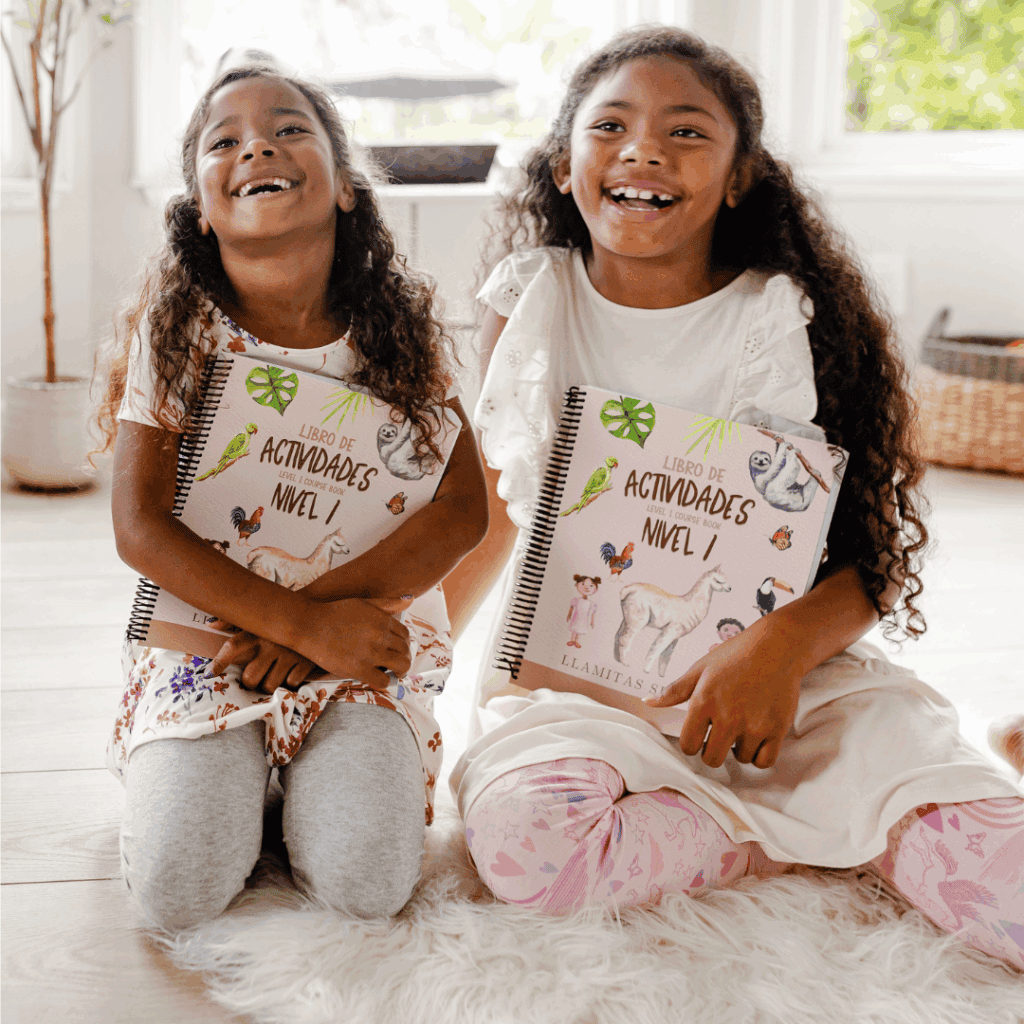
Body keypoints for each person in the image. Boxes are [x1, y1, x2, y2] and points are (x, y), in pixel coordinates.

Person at [448, 27, 1023, 969]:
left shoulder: (779, 314)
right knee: (529, 855)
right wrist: (405, 671)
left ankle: (895, 801)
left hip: (776, 676)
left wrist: (780, 650)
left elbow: (869, 559)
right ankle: (813, 838)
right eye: (612, 127)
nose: (644, 151)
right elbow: (489, 507)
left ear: (740, 176)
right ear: (563, 165)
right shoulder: (532, 299)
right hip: (577, 675)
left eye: (686, 132)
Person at [94, 65, 488, 929]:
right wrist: (295, 626)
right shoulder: (181, 330)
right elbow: (137, 528)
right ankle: (207, 772)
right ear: (200, 205)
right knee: (179, 888)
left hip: (363, 635)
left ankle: (302, 783)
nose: (256, 146)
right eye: (222, 141)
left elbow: (464, 511)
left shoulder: (404, 330)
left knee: (367, 883)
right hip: (214, 638)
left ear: (346, 187)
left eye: (288, 129)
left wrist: (324, 626)